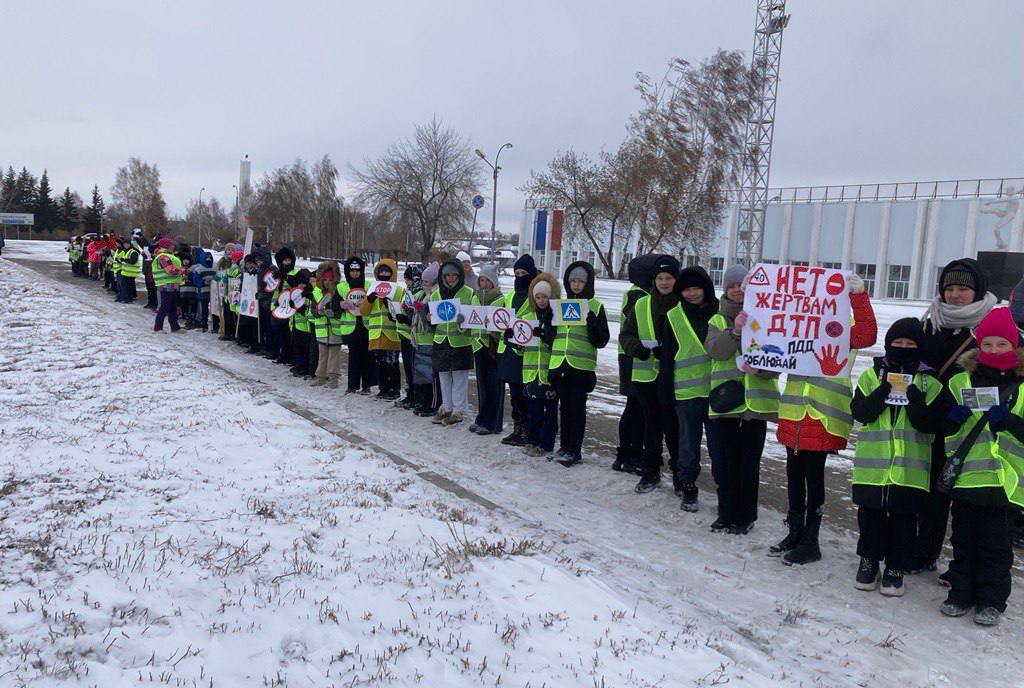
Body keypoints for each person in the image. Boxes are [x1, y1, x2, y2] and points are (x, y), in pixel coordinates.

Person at [774, 269, 877, 563]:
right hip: (793, 417)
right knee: (793, 478)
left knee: (813, 481)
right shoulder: (796, 329)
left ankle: (811, 542)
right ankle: (794, 532)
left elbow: (868, 334)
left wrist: (857, 296)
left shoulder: (841, 332)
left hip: (822, 418)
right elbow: (766, 340)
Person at [912, 258, 1000, 574]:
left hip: (969, 426)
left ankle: (965, 566)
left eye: (963, 288)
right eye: (950, 288)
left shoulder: (991, 325)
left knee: (964, 499)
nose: (955, 295)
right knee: (930, 490)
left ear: (977, 290)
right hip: (930, 420)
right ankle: (924, 551)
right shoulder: (929, 322)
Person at [940, 307, 1024, 626]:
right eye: (987, 343)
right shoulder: (960, 380)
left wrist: (1012, 422)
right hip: (966, 479)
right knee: (962, 540)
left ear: (1013, 346)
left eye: (1000, 344)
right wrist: (951, 420)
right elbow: (942, 430)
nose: (992, 350)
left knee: (995, 546)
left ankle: (992, 600)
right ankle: (961, 593)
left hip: (1005, 482)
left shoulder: (1023, 385)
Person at [850, 318, 944, 597]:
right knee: (870, 517)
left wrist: (913, 395)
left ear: (920, 348)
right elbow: (861, 413)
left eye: (910, 344)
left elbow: (929, 424)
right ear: (889, 345)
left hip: (909, 471)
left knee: (904, 521)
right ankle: (868, 561)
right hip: (873, 469)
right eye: (898, 343)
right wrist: (883, 391)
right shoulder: (872, 376)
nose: (903, 348)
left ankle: (895, 567)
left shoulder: (930, 384)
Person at [704, 265, 780, 534]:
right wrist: (735, 332)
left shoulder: (767, 320)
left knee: (749, 465)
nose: (737, 290)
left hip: (755, 405)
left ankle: (745, 517)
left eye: (742, 286)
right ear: (725, 289)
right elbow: (717, 352)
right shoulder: (717, 320)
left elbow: (777, 362)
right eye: (733, 286)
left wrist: (759, 367)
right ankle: (725, 513)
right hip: (725, 403)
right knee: (724, 463)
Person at [618, 255, 682, 493]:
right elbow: (626, 335)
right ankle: (650, 472)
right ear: (654, 280)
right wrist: (638, 349)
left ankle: (679, 476)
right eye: (660, 278)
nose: (664, 283)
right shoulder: (642, 304)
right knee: (651, 428)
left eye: (669, 278)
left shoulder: (682, 304)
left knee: (674, 430)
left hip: (675, 379)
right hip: (646, 378)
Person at [659, 266, 718, 510]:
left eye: (697, 289)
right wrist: (665, 391)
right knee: (688, 445)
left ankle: (723, 488)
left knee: (718, 448)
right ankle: (688, 486)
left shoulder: (719, 313)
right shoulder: (674, 316)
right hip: (687, 393)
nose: (692, 294)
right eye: (687, 290)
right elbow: (667, 357)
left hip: (718, 392)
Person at [546, 261, 609, 466]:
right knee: (564, 409)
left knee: (577, 410)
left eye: (580, 281)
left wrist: (592, 325)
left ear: (588, 282)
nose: (576, 285)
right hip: (560, 365)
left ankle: (574, 450)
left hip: (581, 369)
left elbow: (601, 340)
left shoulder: (596, 307)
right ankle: (564, 446)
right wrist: (547, 326)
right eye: (572, 281)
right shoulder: (560, 306)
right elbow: (552, 337)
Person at [615, 255, 658, 474]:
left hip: (632, 356)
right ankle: (628, 453)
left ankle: (628, 453)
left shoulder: (636, 292)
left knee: (635, 408)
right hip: (634, 357)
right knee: (636, 408)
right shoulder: (638, 296)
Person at [519, 273, 560, 457]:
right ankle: (532, 440)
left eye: (545, 296)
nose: (542, 300)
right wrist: (514, 339)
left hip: (549, 372)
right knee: (534, 411)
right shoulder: (528, 316)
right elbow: (519, 344)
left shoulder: (555, 317)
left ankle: (546, 443)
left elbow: (558, 342)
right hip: (531, 372)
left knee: (550, 412)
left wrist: (545, 335)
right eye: (538, 297)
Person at [499, 255, 539, 445]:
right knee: (514, 394)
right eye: (517, 273)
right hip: (510, 352)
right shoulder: (509, 296)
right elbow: (501, 319)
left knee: (526, 394)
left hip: (529, 353)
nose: (520, 276)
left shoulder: (536, 295)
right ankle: (518, 427)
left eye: (524, 273)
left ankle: (528, 430)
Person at [430, 261, 475, 425]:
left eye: (454, 275)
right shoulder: (436, 294)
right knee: (444, 376)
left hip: (460, 342)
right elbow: (431, 318)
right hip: (441, 341)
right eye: (447, 275)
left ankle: (458, 410)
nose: (450, 279)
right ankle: (447, 407)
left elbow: (473, 317)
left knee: (459, 377)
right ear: (442, 277)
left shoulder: (469, 293)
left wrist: (465, 323)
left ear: (460, 276)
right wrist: (428, 318)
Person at [360, 259, 404, 400]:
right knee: (380, 363)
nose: (384, 274)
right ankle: (383, 388)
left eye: (387, 271)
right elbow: (364, 311)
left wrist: (390, 305)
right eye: (381, 271)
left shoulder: (398, 289)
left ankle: (394, 389)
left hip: (391, 334)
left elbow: (401, 311)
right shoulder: (372, 289)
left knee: (392, 363)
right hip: (376, 333)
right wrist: (369, 300)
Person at [471, 263, 506, 435]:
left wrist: (493, 330)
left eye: (487, 281)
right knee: (482, 384)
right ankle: (482, 417)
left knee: (494, 385)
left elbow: (503, 323)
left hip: (493, 347)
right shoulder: (475, 297)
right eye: (481, 280)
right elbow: (470, 319)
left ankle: (493, 422)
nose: (484, 284)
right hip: (478, 345)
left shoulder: (500, 299)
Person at [408, 263, 442, 416]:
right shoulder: (421, 295)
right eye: (422, 281)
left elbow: (434, 321)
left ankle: (432, 404)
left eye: (427, 282)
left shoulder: (436, 296)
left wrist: (423, 311)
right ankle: (421, 402)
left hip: (431, 340)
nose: (423, 284)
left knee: (431, 376)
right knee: (421, 374)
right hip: (420, 340)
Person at [340, 256, 376, 394]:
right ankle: (352, 385)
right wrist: (340, 305)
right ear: (347, 272)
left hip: (366, 327)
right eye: (352, 271)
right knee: (353, 357)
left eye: (357, 271)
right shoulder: (341, 287)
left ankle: (367, 385)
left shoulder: (368, 285)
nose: (355, 274)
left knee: (368, 357)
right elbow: (335, 307)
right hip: (351, 328)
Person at [310, 260, 345, 388]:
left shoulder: (338, 292)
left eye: (330, 280)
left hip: (335, 330)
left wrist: (334, 312)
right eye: (325, 280)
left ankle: (333, 377)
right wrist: (319, 312)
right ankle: (320, 377)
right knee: (323, 356)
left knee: (334, 357)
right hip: (322, 331)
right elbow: (313, 309)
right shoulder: (317, 292)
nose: (327, 283)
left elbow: (341, 309)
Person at [396, 265, 421, 409]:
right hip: (405, 334)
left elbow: (416, 316)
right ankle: (410, 393)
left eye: (408, 280)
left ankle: (415, 395)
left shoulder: (418, 293)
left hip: (413, 336)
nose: (406, 283)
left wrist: (405, 319)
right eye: (405, 280)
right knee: (407, 368)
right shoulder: (408, 292)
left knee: (413, 368)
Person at [151, 238, 185, 333]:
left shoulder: (169, 255)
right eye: (171, 245)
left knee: (173, 307)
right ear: (166, 246)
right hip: (166, 285)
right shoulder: (163, 257)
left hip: (172, 285)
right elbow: (171, 271)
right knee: (165, 307)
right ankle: (158, 328)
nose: (173, 246)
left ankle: (175, 327)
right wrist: (183, 270)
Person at [270, 247, 298, 364]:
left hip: (290, 308)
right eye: (284, 261)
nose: (286, 263)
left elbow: (295, 283)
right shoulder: (278, 274)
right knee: (279, 332)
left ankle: (290, 357)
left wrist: (285, 277)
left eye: (288, 260)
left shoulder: (294, 273)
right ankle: (282, 355)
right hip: (279, 307)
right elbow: (274, 290)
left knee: (288, 334)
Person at [287, 269, 314, 377]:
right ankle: (298, 366)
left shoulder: (309, 294)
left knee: (305, 350)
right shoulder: (295, 292)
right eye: (299, 283)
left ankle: (303, 368)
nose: (301, 285)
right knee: (297, 348)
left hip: (306, 327)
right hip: (296, 325)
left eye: (304, 283)